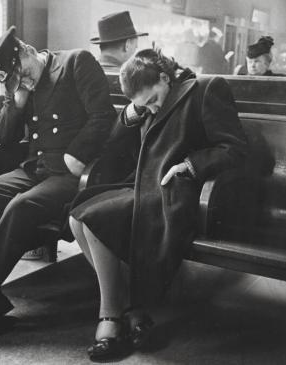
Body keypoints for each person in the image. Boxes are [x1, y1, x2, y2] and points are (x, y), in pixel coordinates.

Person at [0, 26, 116, 342]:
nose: (24, 81)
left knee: (21, 206)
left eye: (23, 75)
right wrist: (16, 101)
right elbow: (3, 138)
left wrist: (77, 154)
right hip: (36, 169)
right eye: (16, 80)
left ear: (27, 51)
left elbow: (102, 116)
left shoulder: (75, 62)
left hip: (73, 174)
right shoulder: (24, 85)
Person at [69, 48, 248, 362]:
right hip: (143, 184)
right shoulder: (149, 98)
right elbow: (114, 146)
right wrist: (131, 114)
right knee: (76, 219)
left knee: (93, 218)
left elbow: (235, 149)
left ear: (165, 77)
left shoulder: (205, 89)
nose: (151, 107)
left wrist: (191, 166)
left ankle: (110, 318)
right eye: (145, 105)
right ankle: (133, 310)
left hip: (175, 189)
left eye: (152, 99)